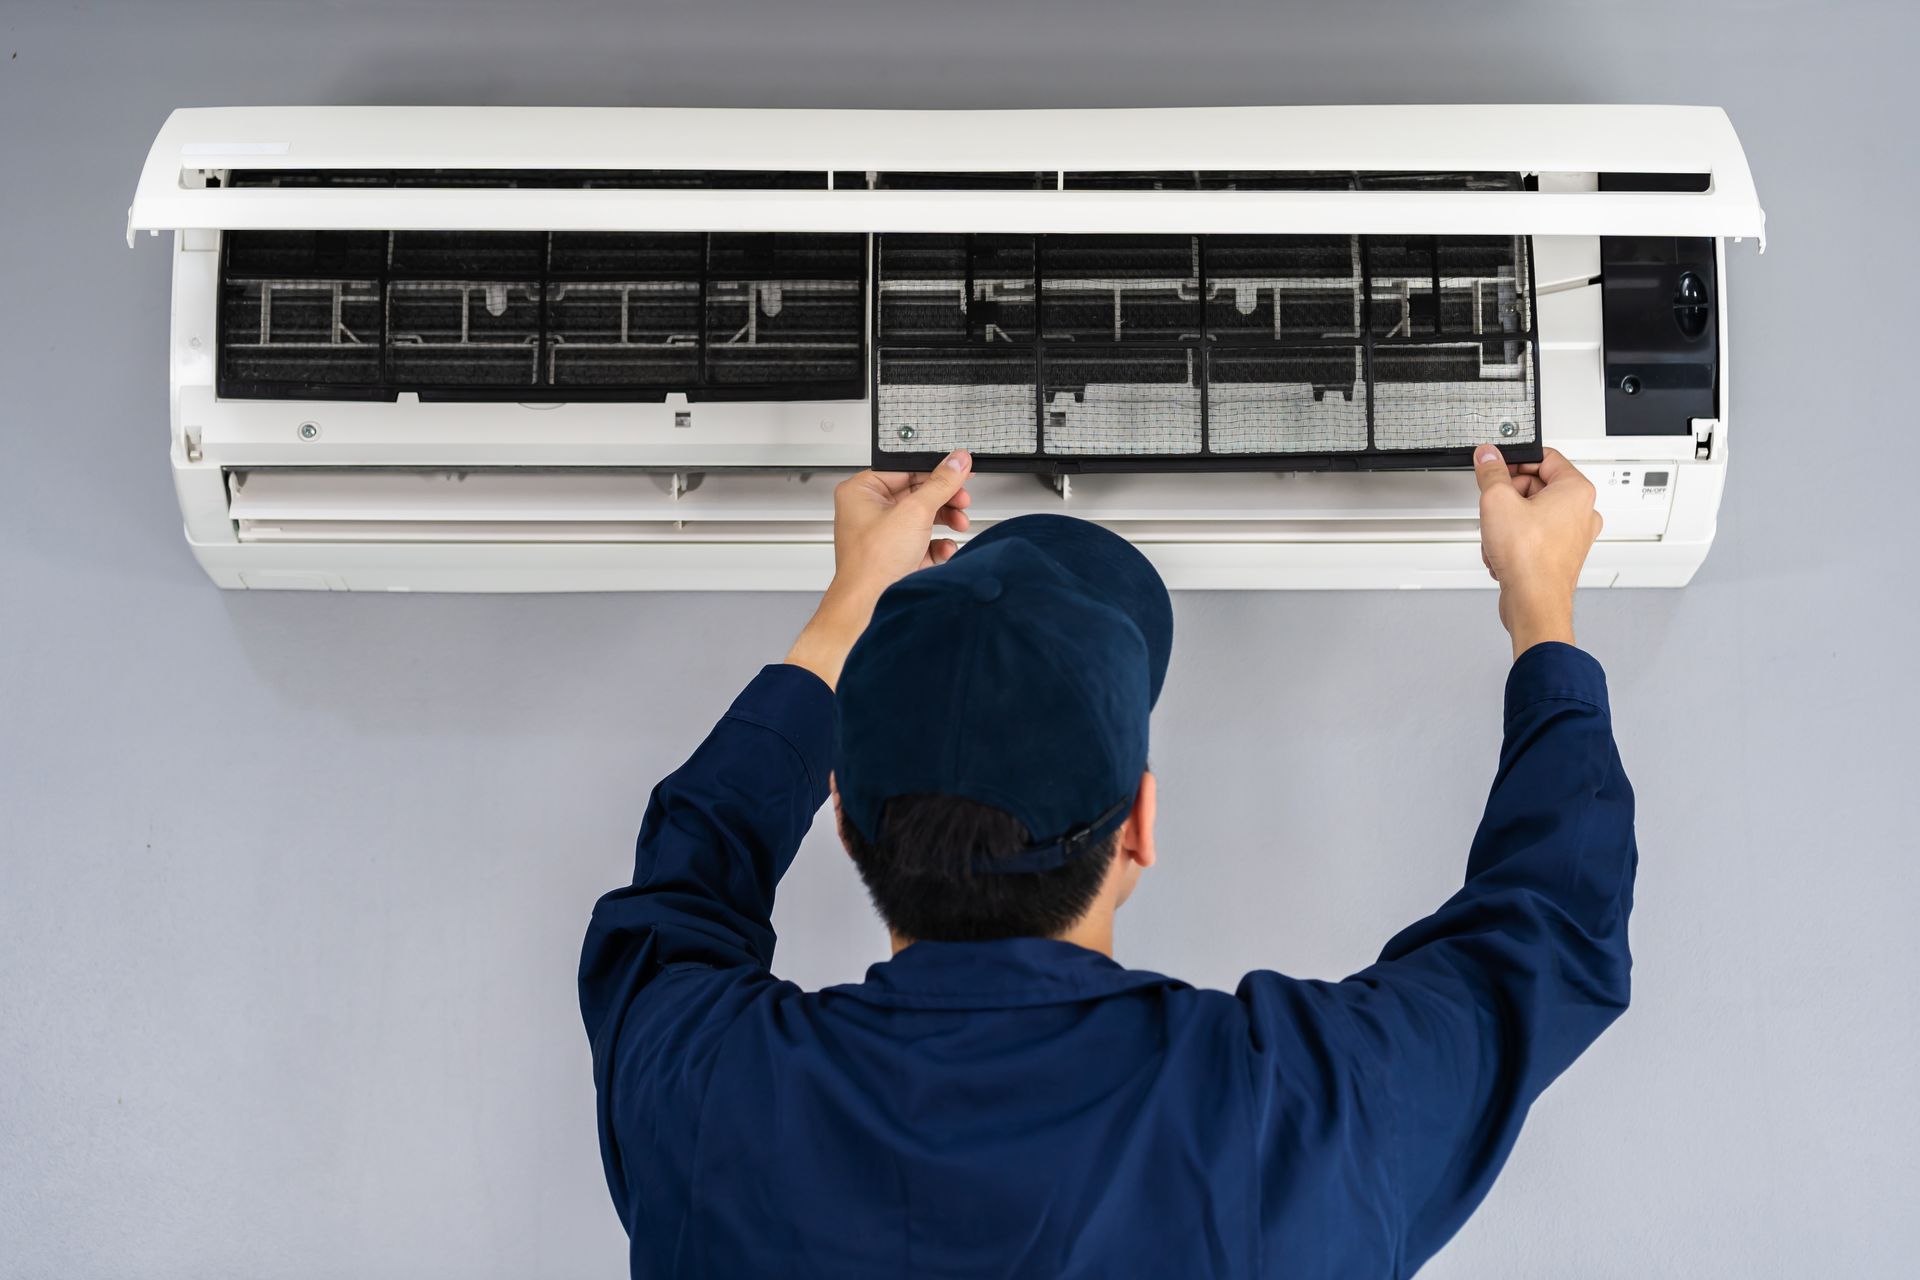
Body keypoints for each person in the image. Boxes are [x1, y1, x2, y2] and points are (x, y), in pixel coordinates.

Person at [579, 444, 1632, 1278]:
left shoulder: (704, 1104)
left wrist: (847, 611)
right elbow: (1554, 926)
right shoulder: (1299, 1118)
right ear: (1139, 824)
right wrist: (1540, 600)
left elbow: (681, 887)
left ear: (842, 814)